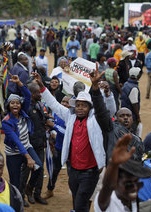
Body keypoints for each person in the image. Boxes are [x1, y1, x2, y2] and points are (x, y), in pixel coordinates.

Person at [34, 68, 105, 211]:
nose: (80, 108)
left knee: (80, 203)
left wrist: (96, 87)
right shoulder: (70, 116)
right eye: (78, 105)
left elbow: (102, 108)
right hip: (73, 169)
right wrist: (42, 87)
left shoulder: (95, 120)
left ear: (89, 107)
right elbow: (54, 104)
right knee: (77, 201)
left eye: (84, 105)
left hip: (90, 171)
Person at [1, 74, 43, 207]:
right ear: (8, 106)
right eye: (12, 103)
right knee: (14, 181)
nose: (15, 105)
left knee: (39, 168)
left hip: (27, 147)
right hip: (13, 153)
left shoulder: (24, 112)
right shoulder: (6, 122)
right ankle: (17, 202)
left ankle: (29, 188)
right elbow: (16, 141)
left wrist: (19, 83)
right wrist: (27, 157)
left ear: (20, 105)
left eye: (17, 103)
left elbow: (28, 95)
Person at [94, 134, 151, 212]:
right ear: (116, 184)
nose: (135, 188)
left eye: (138, 183)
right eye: (128, 185)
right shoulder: (109, 201)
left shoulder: (133, 202)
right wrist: (113, 164)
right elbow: (108, 186)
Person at [21, 83, 48, 205]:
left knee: (40, 170)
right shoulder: (27, 107)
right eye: (37, 92)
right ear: (32, 94)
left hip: (40, 142)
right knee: (27, 170)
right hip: (29, 144)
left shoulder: (39, 104)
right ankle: (22, 195)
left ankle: (36, 194)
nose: (40, 94)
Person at [42, 96, 70, 200]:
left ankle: (76, 195)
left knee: (72, 174)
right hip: (58, 148)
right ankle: (50, 190)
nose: (64, 104)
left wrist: (53, 126)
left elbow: (67, 133)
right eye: (63, 101)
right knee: (53, 171)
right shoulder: (57, 113)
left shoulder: (72, 116)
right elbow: (54, 128)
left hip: (70, 151)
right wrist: (51, 128)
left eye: (67, 102)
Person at [120, 67, 142, 133]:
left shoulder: (126, 84)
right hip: (131, 115)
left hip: (124, 112)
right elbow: (134, 104)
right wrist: (138, 117)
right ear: (138, 76)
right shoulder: (134, 88)